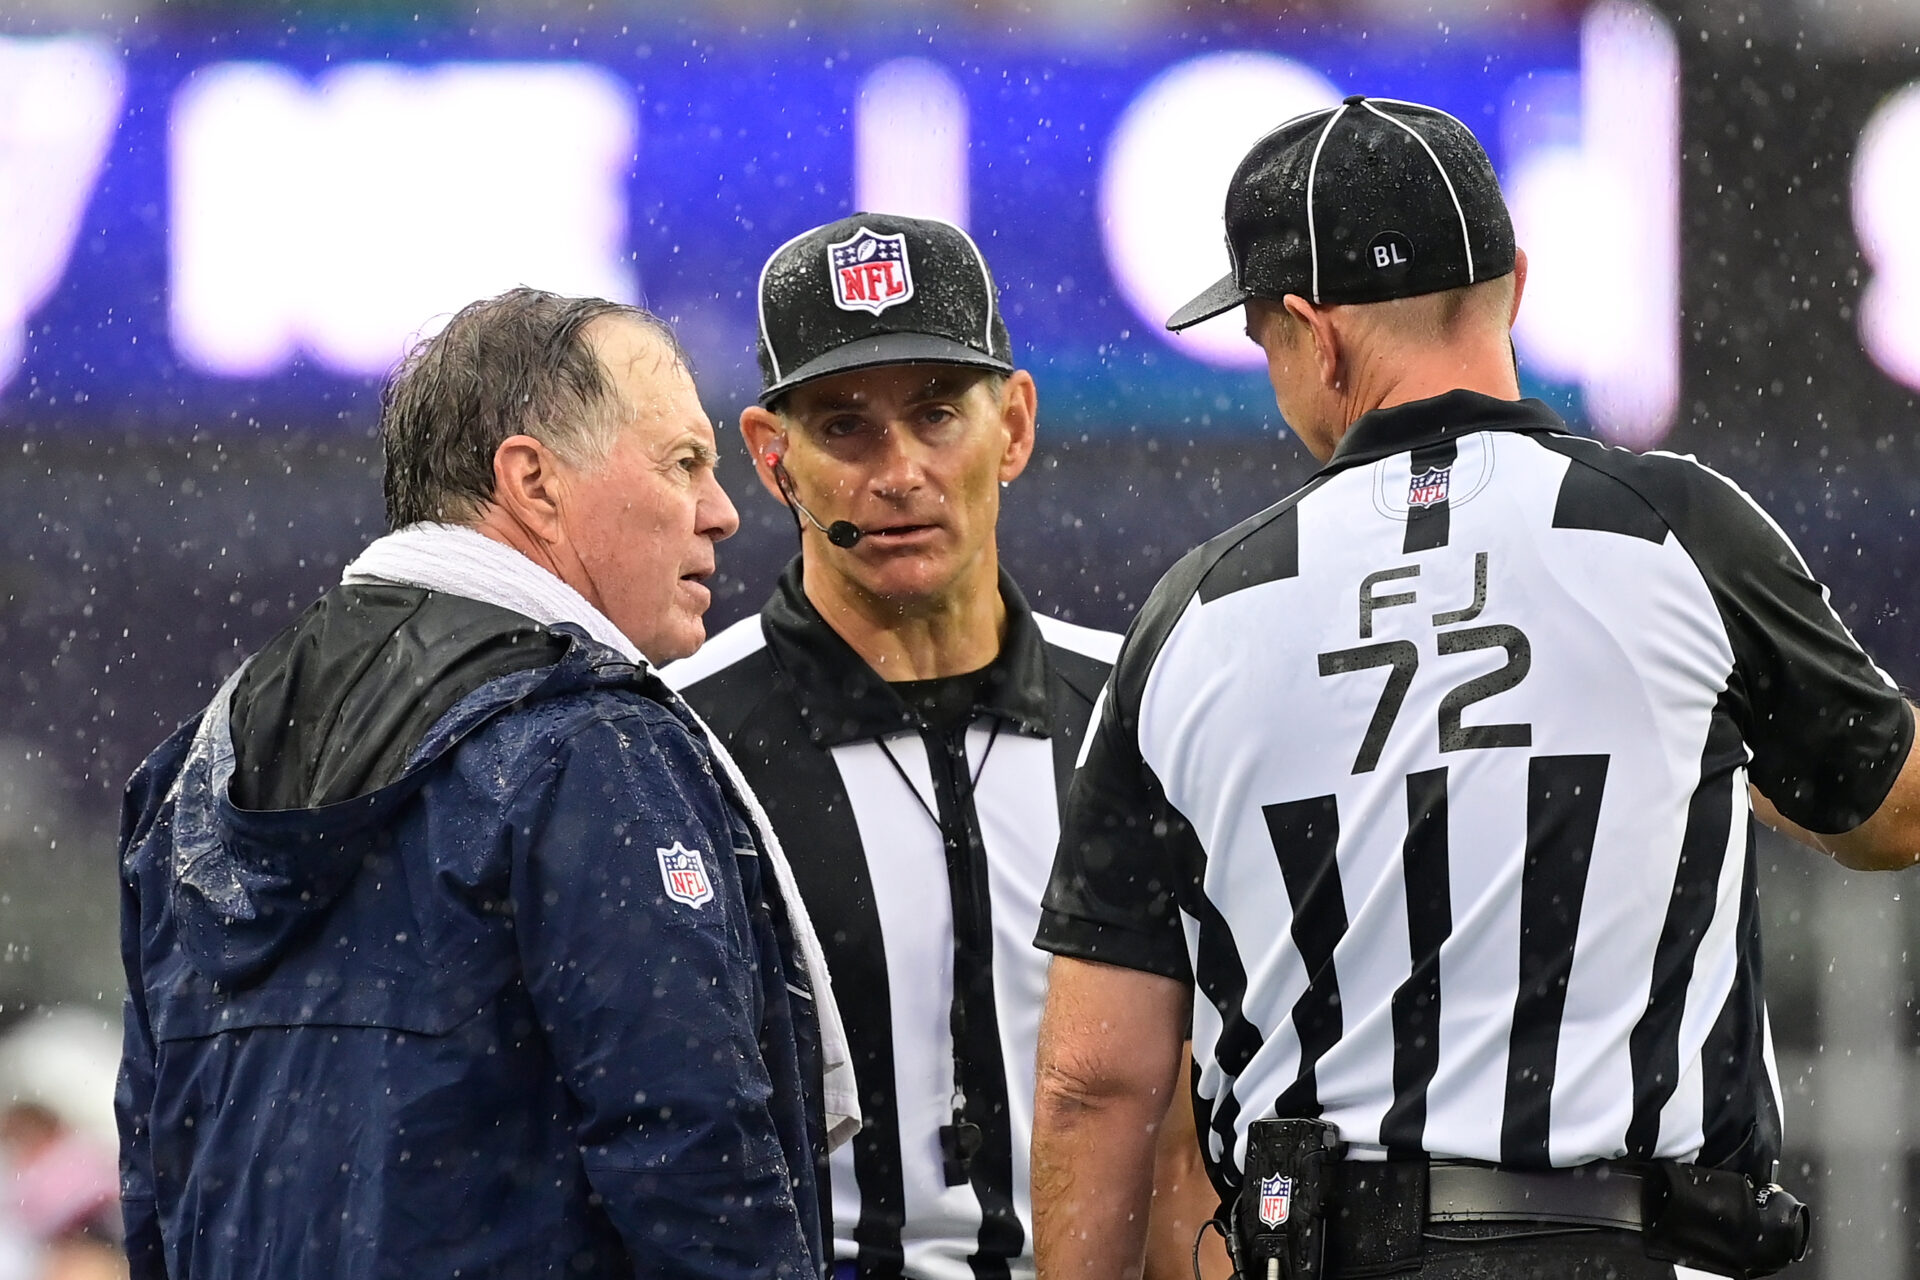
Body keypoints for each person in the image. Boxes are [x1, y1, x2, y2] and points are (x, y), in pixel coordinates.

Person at [1029, 96, 1920, 1280]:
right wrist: (1736, 769)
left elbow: (1098, 1080)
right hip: (1638, 1247)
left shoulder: (1195, 614)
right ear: (1516, 280)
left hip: (1338, 1251)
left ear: (1316, 331)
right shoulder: (1679, 529)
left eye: (1263, 338)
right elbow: (1894, 811)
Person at [114, 288, 856, 1280]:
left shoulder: (190, 768)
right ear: (534, 483)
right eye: (683, 462)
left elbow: (155, 1174)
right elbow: (691, 1146)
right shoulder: (592, 746)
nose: (722, 511)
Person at [665, 214, 1221, 1280]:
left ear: (1013, 424)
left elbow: (1182, 1141)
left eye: (935, 413)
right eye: (845, 426)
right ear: (772, 457)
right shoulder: (679, 740)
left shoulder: (1141, 706)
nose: (901, 470)